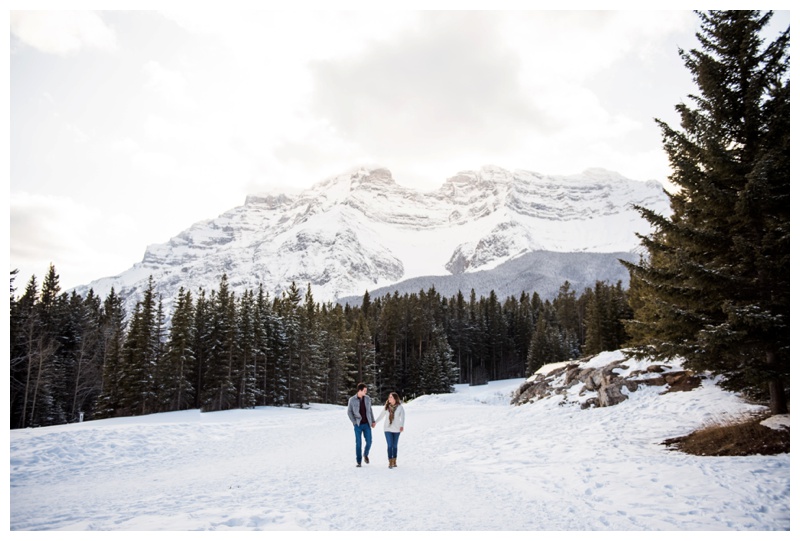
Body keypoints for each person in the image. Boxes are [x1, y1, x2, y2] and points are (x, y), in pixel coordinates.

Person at [373, 391, 405, 468]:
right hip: (387, 428)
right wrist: (375, 422)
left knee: (395, 445)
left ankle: (394, 460)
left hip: (397, 429)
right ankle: (390, 461)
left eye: (391, 397)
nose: (389, 398)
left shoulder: (400, 407)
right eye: (389, 397)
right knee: (390, 445)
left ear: (395, 398)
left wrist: (402, 426)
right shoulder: (386, 407)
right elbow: (381, 415)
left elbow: (403, 417)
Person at [347, 383, 375, 467]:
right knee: (358, 443)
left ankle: (365, 454)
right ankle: (359, 461)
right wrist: (354, 422)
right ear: (360, 390)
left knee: (369, 441)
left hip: (367, 424)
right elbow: (349, 412)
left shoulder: (367, 399)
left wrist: (373, 421)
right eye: (364, 391)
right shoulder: (352, 400)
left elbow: (370, 410)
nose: (366, 392)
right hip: (358, 425)